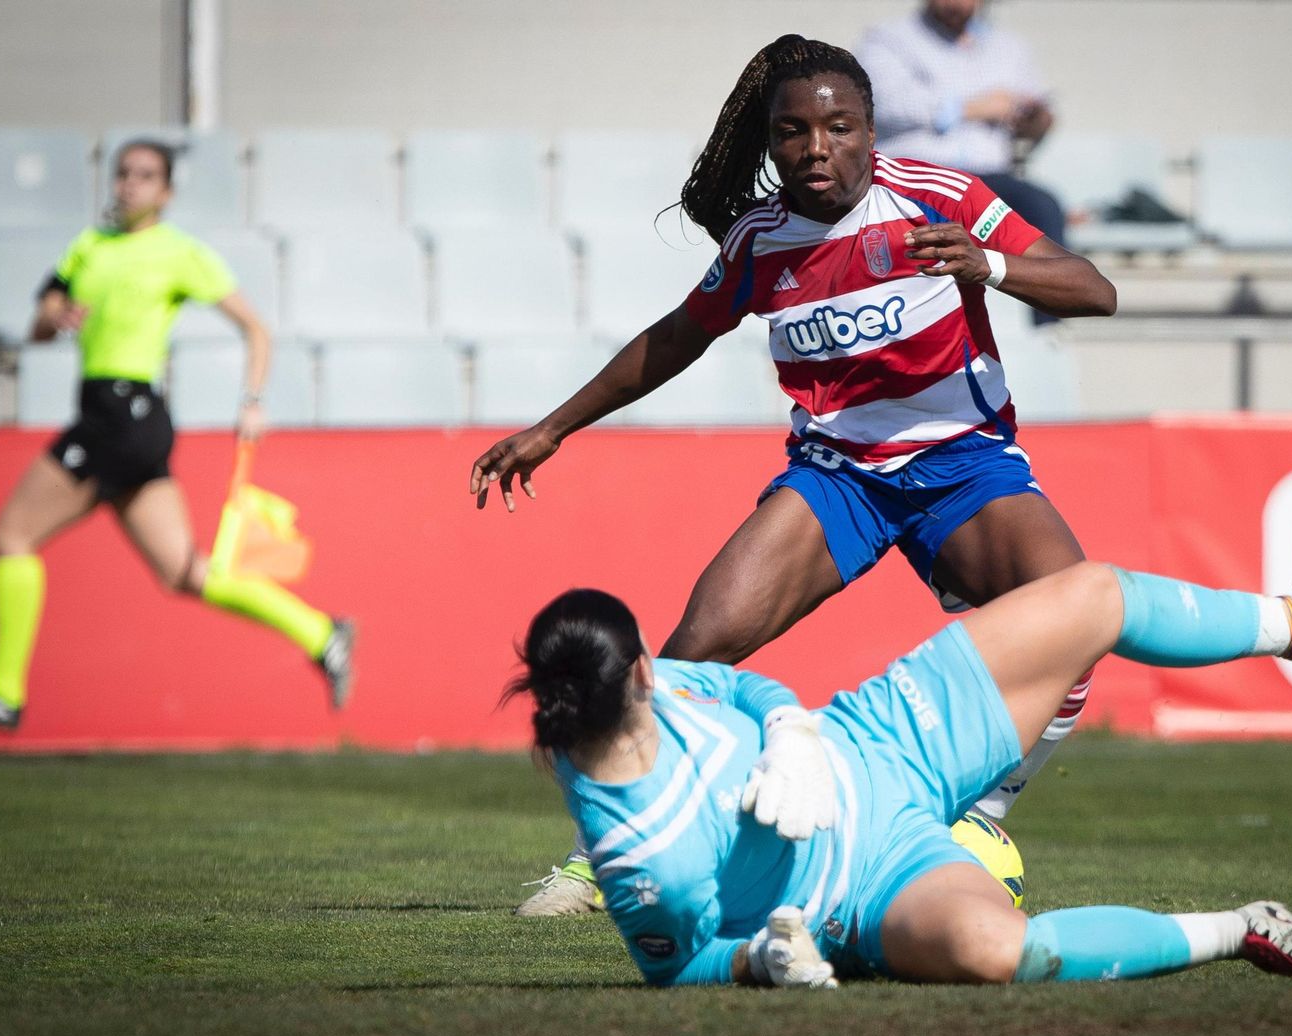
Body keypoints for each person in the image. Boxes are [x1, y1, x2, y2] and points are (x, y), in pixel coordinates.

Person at [471, 36, 1113, 915]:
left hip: (964, 466)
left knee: (1077, 618)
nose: (818, 149)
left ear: (870, 128)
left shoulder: (939, 196)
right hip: (838, 478)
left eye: (839, 127)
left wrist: (988, 265)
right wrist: (553, 427)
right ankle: (606, 855)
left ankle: (984, 817)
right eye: (794, 132)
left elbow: (1093, 287)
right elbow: (675, 338)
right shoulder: (759, 241)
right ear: (770, 143)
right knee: (691, 656)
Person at [510, 495, 1292, 987]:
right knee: (1000, 951)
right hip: (864, 890)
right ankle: (1245, 930)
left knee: (1091, 596)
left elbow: (738, 681)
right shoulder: (632, 854)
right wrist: (758, 962)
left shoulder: (668, 685)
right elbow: (675, 967)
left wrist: (791, 729)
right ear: (639, 679)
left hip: (879, 736)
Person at [0, 140, 355, 731]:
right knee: (183, 571)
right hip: (125, 421)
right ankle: (321, 632)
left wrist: (252, 402)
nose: (130, 185)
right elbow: (45, 319)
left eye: (146, 176)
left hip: (120, 415)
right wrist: (51, 314)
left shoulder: (178, 253)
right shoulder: (90, 245)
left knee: (11, 535)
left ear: (167, 191)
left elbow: (256, 329)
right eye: (123, 174)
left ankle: (4, 689)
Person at [855, 0, 1069, 260]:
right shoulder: (888, 39)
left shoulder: (1009, 47)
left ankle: (1056, 295)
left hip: (987, 179)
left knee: (1042, 207)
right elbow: (883, 102)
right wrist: (973, 108)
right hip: (915, 175)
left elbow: (1031, 113)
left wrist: (1036, 120)